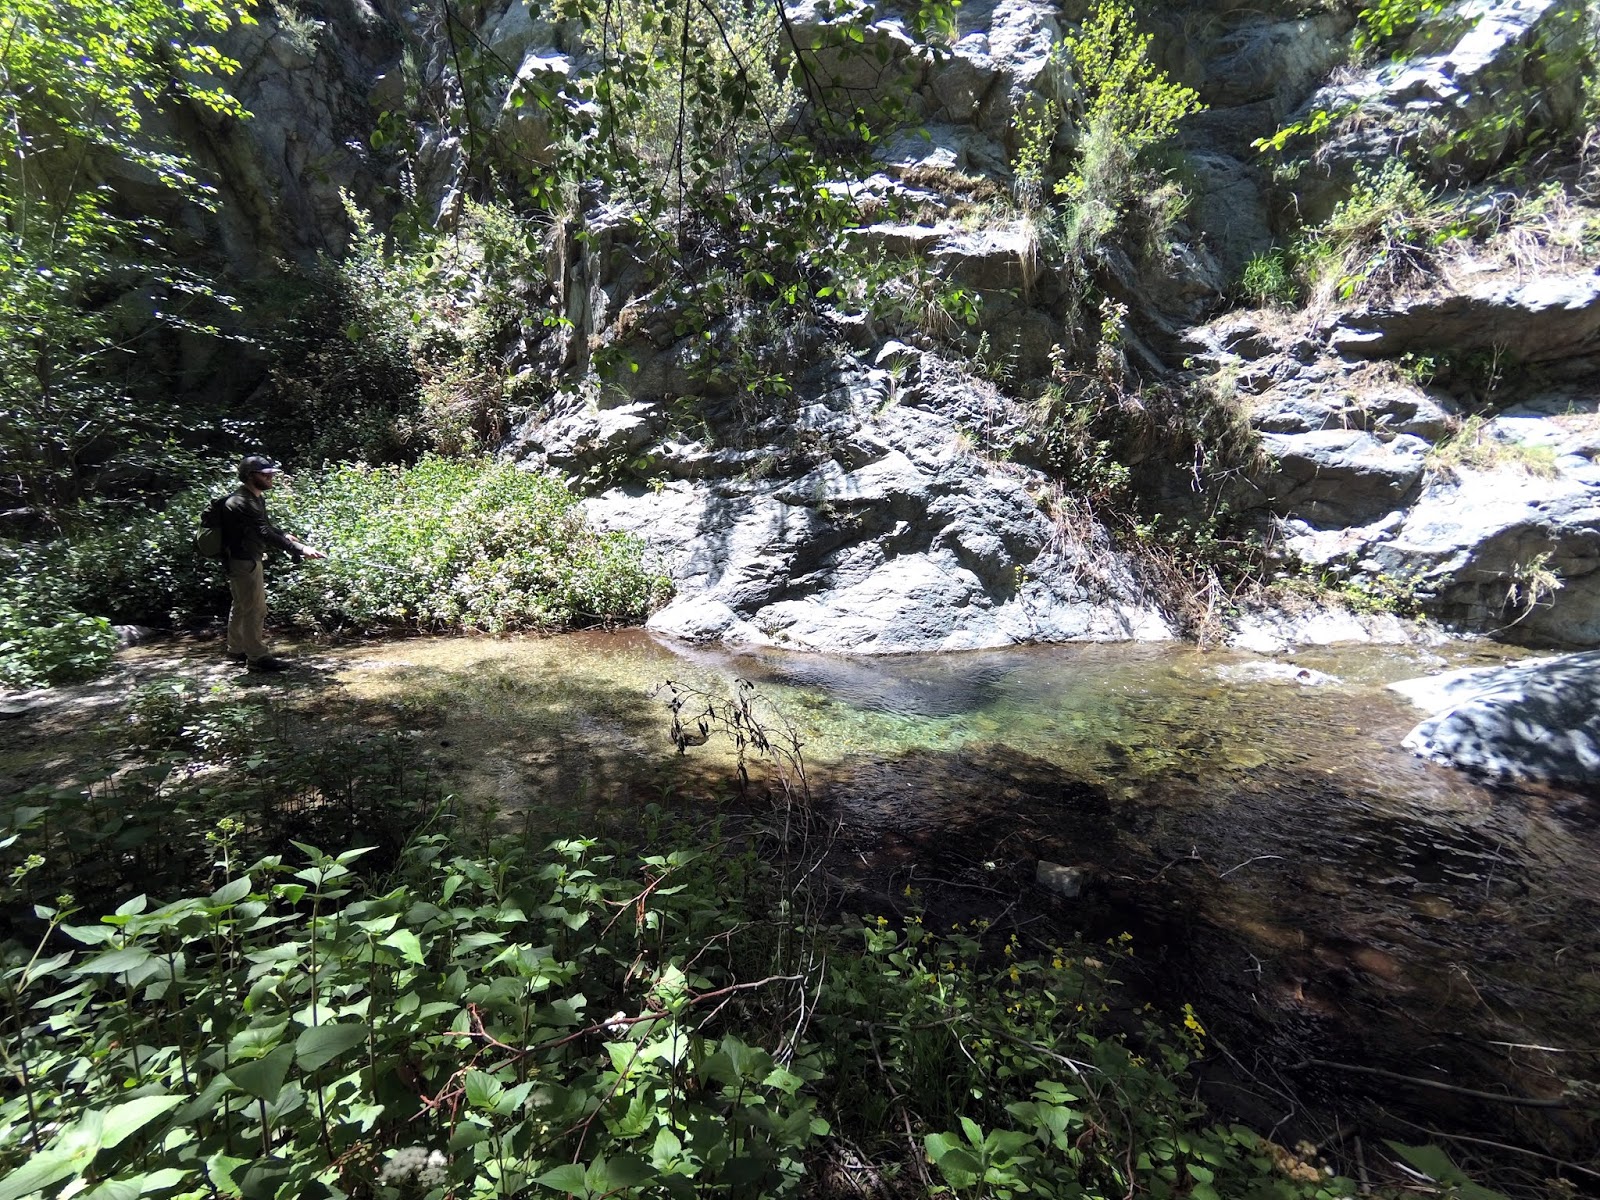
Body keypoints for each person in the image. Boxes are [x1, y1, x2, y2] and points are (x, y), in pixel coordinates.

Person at [222, 455, 326, 673]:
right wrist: (301, 549)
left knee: (242, 605)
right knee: (254, 609)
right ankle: (257, 658)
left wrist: (285, 537)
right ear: (251, 476)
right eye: (266, 474)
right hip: (243, 560)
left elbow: (265, 526)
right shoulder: (241, 502)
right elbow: (263, 532)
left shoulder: (255, 498)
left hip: (246, 559)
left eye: (271, 474)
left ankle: (236, 650)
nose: (271, 478)